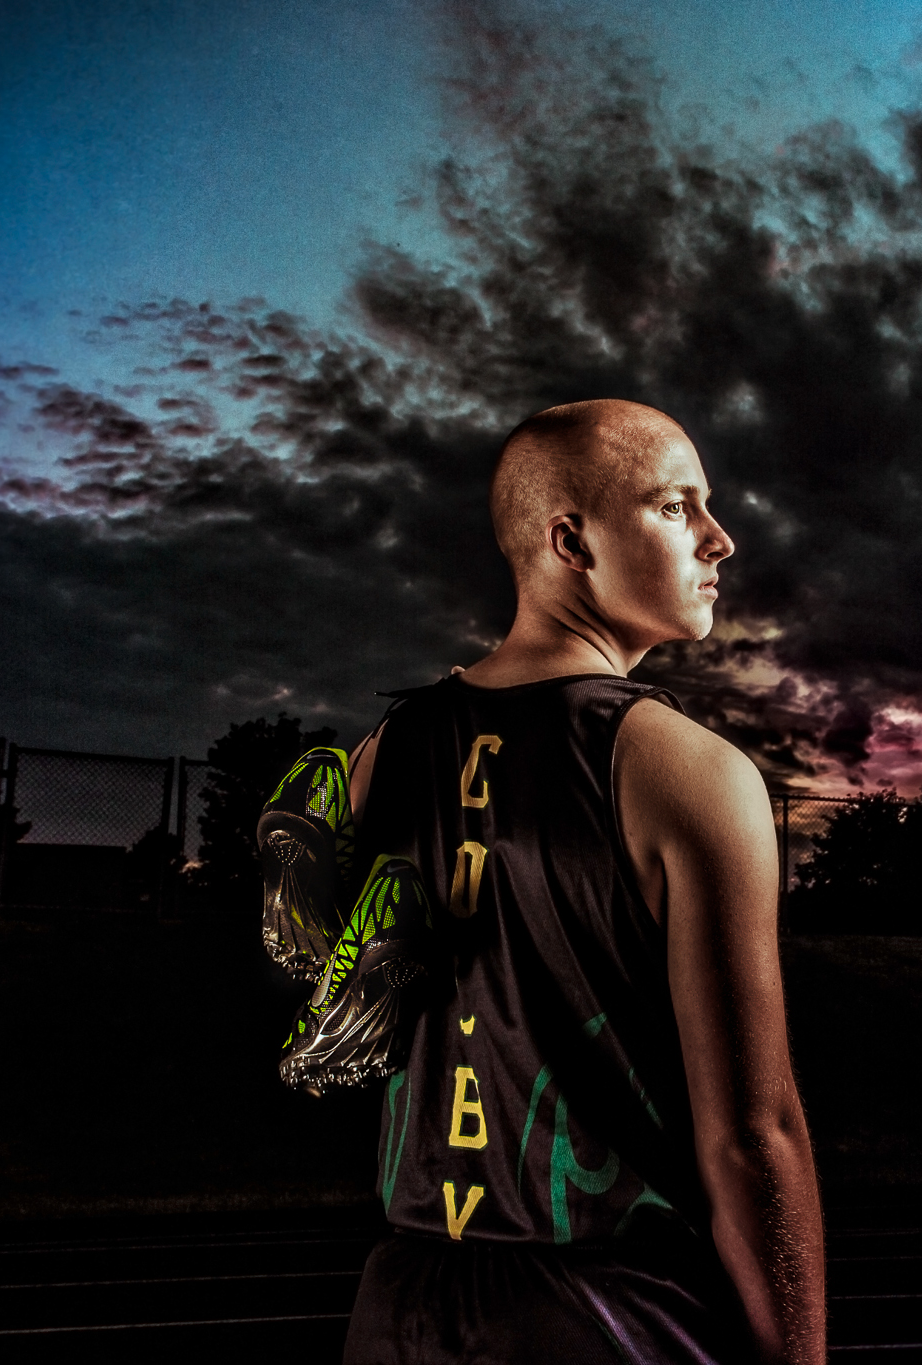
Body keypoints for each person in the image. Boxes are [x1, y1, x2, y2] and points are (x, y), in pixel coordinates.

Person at [319, 399, 825, 1363]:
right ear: (572, 541)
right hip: (607, 1314)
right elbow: (752, 1138)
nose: (718, 538)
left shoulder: (381, 754)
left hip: (396, 1307)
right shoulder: (689, 771)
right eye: (676, 506)